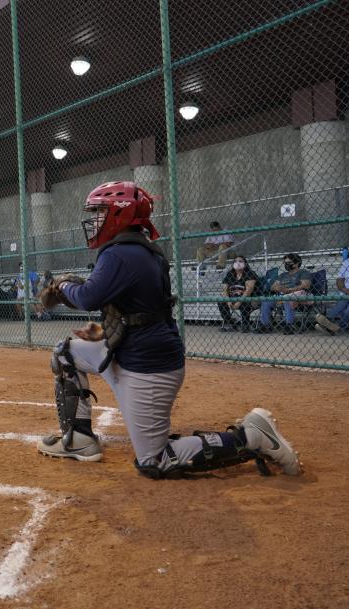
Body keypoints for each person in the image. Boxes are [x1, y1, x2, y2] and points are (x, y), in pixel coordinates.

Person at [37, 180, 301, 479]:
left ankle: (251, 436)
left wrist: (63, 286)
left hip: (146, 367)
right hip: (130, 351)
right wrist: (102, 329)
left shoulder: (121, 253)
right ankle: (80, 440)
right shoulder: (138, 250)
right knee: (66, 354)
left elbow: (87, 297)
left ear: (120, 214)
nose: (94, 219)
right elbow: (132, 308)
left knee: (155, 460)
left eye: (100, 211)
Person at [256, 253, 312, 334]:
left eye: (289, 263)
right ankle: (265, 325)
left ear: (297, 263)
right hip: (281, 296)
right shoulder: (283, 275)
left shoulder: (303, 273)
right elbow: (273, 286)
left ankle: (290, 325)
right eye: (285, 263)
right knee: (266, 301)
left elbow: (306, 285)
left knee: (287, 298)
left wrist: (289, 290)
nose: (286, 265)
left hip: (297, 296)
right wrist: (278, 288)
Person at [218, 255, 260, 332]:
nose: (238, 263)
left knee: (245, 301)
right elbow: (225, 290)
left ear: (245, 263)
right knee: (221, 302)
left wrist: (239, 302)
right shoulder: (230, 274)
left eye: (240, 261)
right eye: (235, 261)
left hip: (248, 298)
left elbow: (248, 291)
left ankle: (245, 324)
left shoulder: (250, 273)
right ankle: (231, 323)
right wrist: (228, 301)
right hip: (232, 298)